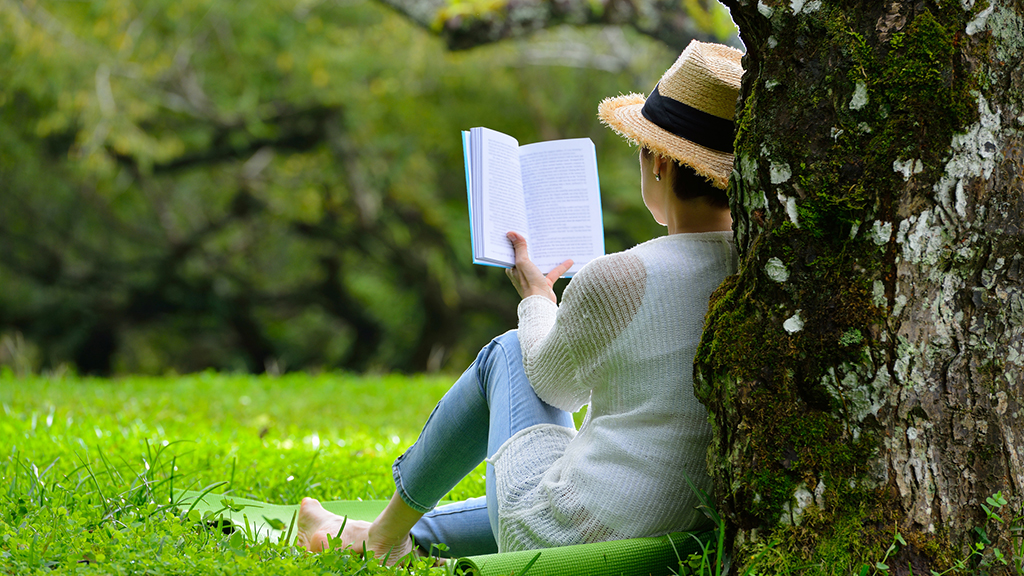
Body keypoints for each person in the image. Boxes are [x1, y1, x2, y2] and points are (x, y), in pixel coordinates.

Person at [295, 39, 744, 563]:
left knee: (507, 354)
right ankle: (364, 534)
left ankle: (381, 538)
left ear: (661, 163)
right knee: (566, 474)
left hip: (567, 541)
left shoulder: (621, 275)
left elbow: (554, 386)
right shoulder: (760, 274)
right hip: (680, 535)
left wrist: (537, 299)